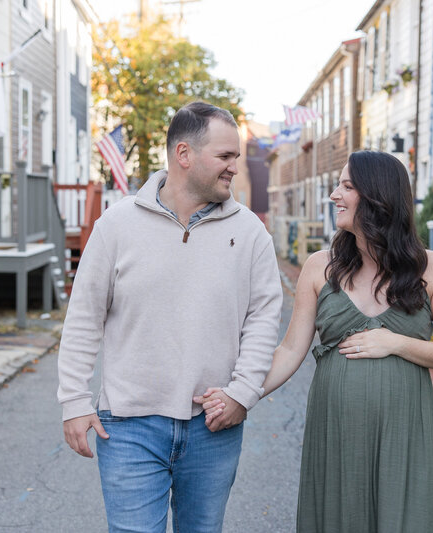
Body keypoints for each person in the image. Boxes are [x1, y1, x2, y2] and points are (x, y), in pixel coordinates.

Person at [199, 150, 433, 532]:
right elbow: (291, 351)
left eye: (346, 186)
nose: (333, 195)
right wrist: (239, 394)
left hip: (404, 431)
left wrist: (395, 343)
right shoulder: (320, 267)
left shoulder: (432, 267)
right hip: (337, 430)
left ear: (377, 196)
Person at [57, 101, 283, 533]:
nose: (235, 167)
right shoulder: (116, 226)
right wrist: (73, 400)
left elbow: (262, 320)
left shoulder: (251, 232)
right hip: (128, 428)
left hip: (213, 426)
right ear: (184, 155)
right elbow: (84, 318)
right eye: (225, 156)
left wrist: (243, 393)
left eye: (235, 157)